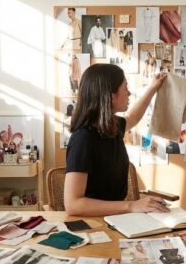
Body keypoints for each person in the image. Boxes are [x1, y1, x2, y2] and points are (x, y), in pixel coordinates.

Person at [64, 63, 169, 216]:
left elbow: (132, 118)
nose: (129, 93)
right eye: (125, 88)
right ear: (112, 97)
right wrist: (131, 206)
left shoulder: (110, 126)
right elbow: (73, 205)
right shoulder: (83, 139)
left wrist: (153, 88)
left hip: (115, 218)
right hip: (93, 224)